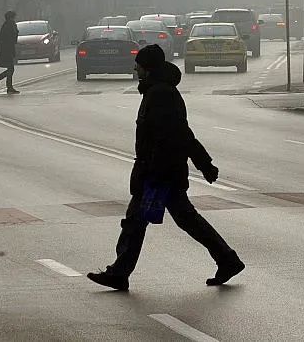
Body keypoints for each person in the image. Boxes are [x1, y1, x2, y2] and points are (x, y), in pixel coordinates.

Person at [86, 44, 244, 291]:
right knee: (181, 219)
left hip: (158, 173)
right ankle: (227, 259)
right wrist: (203, 163)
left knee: (137, 221)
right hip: (162, 171)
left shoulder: (160, 94)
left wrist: (201, 163)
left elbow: (178, 134)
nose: (135, 67)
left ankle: (119, 272)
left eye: (138, 63)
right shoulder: (157, 91)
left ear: (147, 68)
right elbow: (181, 133)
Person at [0, 10, 19, 94]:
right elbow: (12, 38)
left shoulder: (6, 25)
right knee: (11, 69)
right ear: (12, 17)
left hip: (6, 50)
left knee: (10, 69)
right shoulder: (10, 25)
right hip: (7, 50)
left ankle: (7, 86)